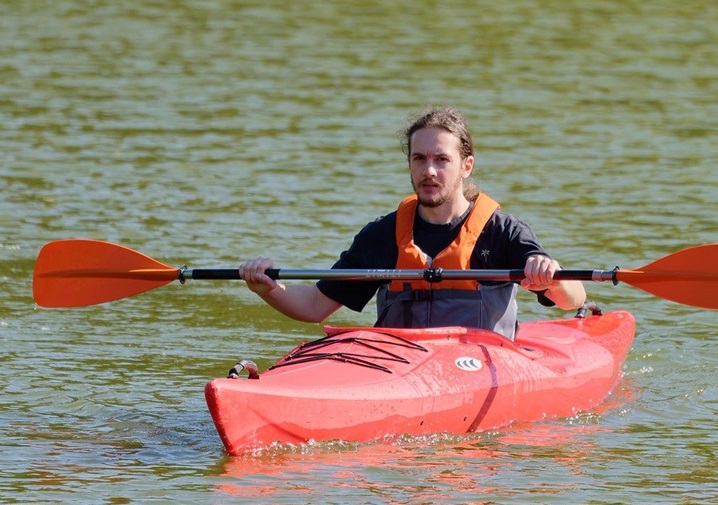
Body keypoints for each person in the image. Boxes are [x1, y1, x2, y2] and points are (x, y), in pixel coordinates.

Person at [239, 106, 586, 340]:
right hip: (397, 366)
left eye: (441, 160)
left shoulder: (503, 232)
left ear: (466, 166)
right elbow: (315, 306)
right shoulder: (382, 236)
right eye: (419, 159)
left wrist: (551, 274)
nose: (429, 171)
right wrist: (267, 288)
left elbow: (573, 298)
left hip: (477, 366)